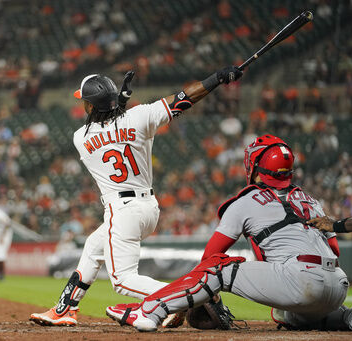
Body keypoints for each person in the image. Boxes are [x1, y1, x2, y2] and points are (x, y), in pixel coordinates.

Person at [30, 65, 243, 327]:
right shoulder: (140, 117)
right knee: (93, 248)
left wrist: (118, 102)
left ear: (91, 106)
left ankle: (194, 296)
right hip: (148, 208)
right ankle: (65, 309)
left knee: (122, 281)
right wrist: (217, 79)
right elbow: (183, 99)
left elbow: (107, 127)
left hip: (122, 210)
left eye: (85, 101)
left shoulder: (80, 138)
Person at [106, 134, 352, 332]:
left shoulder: (245, 202)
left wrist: (196, 298)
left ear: (256, 166)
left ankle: (150, 312)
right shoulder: (312, 201)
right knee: (287, 315)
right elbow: (334, 251)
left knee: (218, 268)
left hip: (298, 280)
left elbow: (210, 259)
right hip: (337, 285)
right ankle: (347, 316)